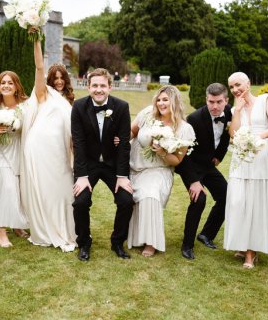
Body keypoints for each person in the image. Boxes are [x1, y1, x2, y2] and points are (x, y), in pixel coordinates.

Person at [20, 36, 77, 252]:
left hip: (61, 149)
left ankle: (65, 227)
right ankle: (44, 229)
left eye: (62, 78)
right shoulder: (43, 93)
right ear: (49, 79)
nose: (59, 81)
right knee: (44, 187)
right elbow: (39, 65)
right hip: (40, 147)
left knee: (62, 189)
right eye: (56, 77)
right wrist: (36, 40)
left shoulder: (70, 100)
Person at [71, 68, 134, 261]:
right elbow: (78, 142)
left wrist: (122, 176)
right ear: (88, 87)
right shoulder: (79, 106)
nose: (99, 89)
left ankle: (117, 242)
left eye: (102, 85)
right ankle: (84, 242)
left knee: (126, 201)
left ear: (110, 87)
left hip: (113, 164)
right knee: (80, 202)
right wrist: (81, 176)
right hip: (88, 164)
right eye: (95, 85)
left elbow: (124, 144)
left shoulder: (121, 107)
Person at [128, 85, 195, 257]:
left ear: (174, 101)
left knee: (150, 195)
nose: (161, 103)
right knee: (135, 199)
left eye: (165, 99)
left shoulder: (184, 129)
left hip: (159, 170)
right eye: (159, 99)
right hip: (135, 168)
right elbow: (130, 132)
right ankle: (136, 237)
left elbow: (177, 160)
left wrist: (163, 152)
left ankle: (151, 242)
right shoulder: (147, 114)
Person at [223, 72, 268, 269]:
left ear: (248, 83)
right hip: (241, 158)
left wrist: (258, 138)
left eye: (238, 84)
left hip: (262, 155)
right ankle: (241, 242)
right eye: (231, 87)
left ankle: (251, 253)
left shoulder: (265, 99)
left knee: (256, 202)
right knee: (239, 200)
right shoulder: (234, 108)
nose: (235, 89)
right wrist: (237, 111)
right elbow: (233, 134)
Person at [174, 83, 232, 260]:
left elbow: (226, 137)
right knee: (199, 200)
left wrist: (219, 156)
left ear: (226, 101)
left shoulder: (230, 113)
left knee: (227, 196)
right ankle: (187, 245)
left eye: (219, 102)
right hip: (190, 165)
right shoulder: (194, 119)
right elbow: (183, 155)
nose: (215, 106)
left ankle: (206, 234)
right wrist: (193, 181)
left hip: (208, 165)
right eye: (211, 102)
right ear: (206, 100)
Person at [0, 71, 30, 248]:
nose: (6, 86)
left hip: (22, 151)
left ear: (16, 86)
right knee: (8, 189)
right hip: (4, 152)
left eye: (10, 83)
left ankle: (17, 225)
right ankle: (2, 230)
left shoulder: (25, 106)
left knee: (20, 190)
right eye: (3, 82)